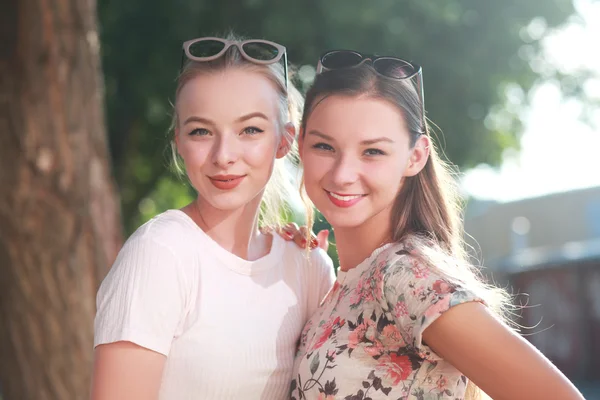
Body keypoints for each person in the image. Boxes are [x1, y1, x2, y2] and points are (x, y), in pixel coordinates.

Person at [288, 50, 585, 400]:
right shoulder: (348, 282)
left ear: (415, 157)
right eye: (325, 146)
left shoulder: (405, 275)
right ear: (300, 142)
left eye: (373, 152)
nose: (342, 174)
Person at [90, 34, 335, 400]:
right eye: (201, 131)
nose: (223, 155)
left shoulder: (307, 266)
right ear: (179, 141)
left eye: (250, 130)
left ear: (284, 140)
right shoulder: (160, 253)